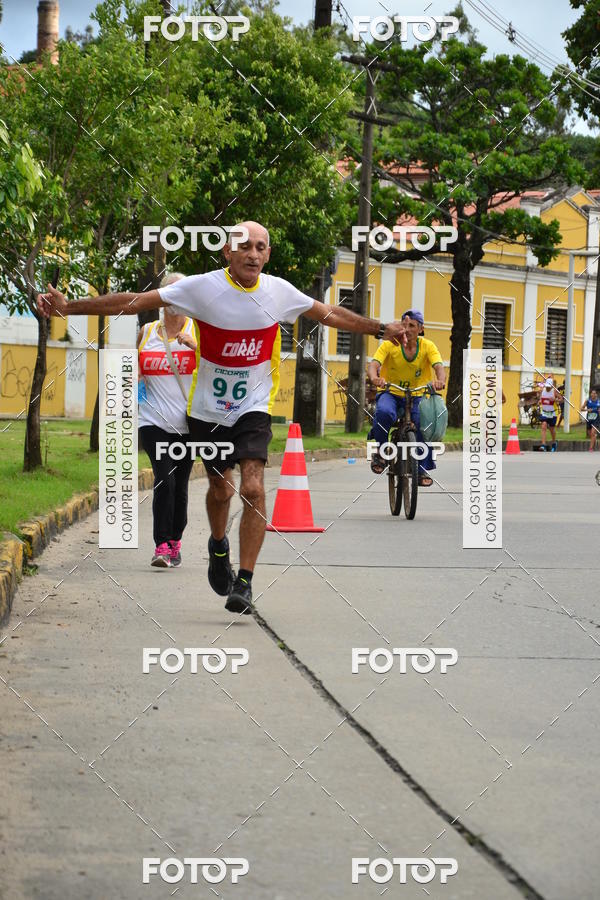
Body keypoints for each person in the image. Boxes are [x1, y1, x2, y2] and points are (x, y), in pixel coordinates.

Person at [37, 221, 407, 615]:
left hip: (253, 408)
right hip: (207, 412)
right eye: (244, 245)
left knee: (253, 488)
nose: (253, 253)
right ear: (226, 252)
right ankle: (218, 546)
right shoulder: (201, 287)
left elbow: (330, 314)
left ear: (268, 255)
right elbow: (135, 301)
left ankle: (244, 581)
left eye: (261, 247)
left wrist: (381, 328)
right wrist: (70, 306)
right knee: (220, 491)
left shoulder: (279, 291)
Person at [137, 273, 197, 568]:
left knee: (181, 484)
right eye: (169, 292)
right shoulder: (146, 332)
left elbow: (217, 367)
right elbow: (134, 371)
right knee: (165, 478)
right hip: (152, 421)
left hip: (189, 425)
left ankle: (175, 541)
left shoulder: (198, 331)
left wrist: (196, 347)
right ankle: (161, 545)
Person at [366, 309, 446, 485]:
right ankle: (380, 453)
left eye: (412, 325)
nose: (407, 329)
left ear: (421, 329)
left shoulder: (428, 346)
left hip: (418, 395)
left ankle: (421, 469)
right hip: (391, 392)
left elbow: (439, 366)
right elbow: (373, 365)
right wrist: (375, 378)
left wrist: (440, 381)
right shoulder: (389, 344)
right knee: (384, 413)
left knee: (424, 422)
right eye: (404, 325)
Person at [538, 377, 560, 451]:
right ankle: (543, 445)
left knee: (551, 429)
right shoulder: (542, 390)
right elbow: (540, 398)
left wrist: (555, 399)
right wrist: (540, 401)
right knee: (544, 425)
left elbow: (562, 399)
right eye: (546, 386)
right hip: (544, 411)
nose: (547, 388)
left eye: (549, 387)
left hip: (552, 413)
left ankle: (554, 443)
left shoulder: (554, 391)